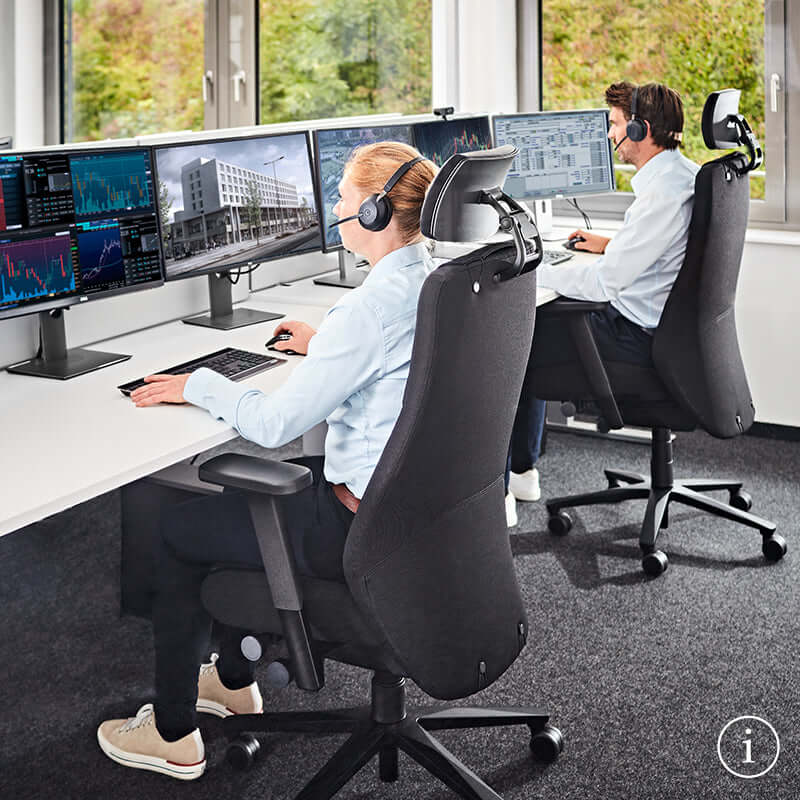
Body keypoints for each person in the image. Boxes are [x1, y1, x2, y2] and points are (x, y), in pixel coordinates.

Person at [96, 141, 438, 780]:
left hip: (356, 527)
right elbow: (384, 355)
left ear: (373, 211)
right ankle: (229, 680)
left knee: (174, 527)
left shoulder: (370, 310)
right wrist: (327, 343)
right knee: (248, 502)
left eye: (341, 197)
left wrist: (199, 382)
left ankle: (173, 733)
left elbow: (277, 422)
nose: (334, 208)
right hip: (417, 517)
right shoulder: (435, 280)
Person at [505, 81, 700, 526]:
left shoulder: (662, 194)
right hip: (661, 328)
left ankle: (503, 490)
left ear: (639, 128)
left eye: (614, 125)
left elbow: (604, 286)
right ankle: (523, 471)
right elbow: (660, 251)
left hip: (634, 337)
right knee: (532, 329)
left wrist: (535, 268)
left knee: (508, 343)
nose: (610, 136)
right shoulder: (680, 175)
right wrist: (612, 244)